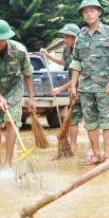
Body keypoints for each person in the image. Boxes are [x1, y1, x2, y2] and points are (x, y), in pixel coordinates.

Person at [70, 0, 109, 165]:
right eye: (85, 11)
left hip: (105, 86)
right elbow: (76, 63)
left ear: (99, 12)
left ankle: (107, 155)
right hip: (85, 87)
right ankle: (96, 154)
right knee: (90, 123)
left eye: (92, 10)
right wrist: (73, 86)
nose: (89, 13)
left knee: (107, 121)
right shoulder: (80, 36)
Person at [0, 19, 35, 167]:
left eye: (0, 40)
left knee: (12, 121)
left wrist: (31, 98)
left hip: (14, 89)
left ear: (7, 37)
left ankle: (8, 160)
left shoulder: (20, 51)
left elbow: (28, 74)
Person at [40, 23, 83, 154]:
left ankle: (96, 150)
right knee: (73, 119)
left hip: (85, 89)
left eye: (66, 37)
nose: (64, 39)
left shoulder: (82, 51)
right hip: (73, 90)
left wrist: (60, 89)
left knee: (93, 120)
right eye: (63, 37)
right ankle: (73, 147)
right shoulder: (66, 50)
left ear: (74, 38)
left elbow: (79, 77)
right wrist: (48, 55)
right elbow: (63, 62)